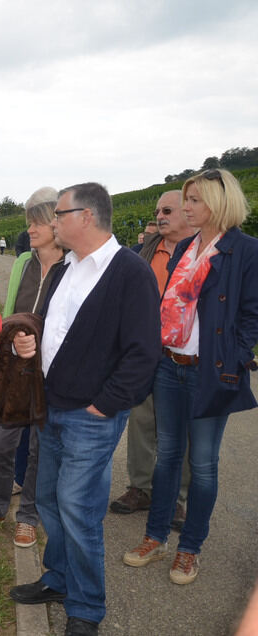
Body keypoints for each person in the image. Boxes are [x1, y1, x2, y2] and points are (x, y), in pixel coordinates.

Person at [8, 182, 161, 636]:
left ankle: (87, 608)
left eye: (59, 214)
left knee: (78, 508)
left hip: (90, 416)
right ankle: (58, 579)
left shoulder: (128, 272)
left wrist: (106, 405)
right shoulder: (66, 268)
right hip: (51, 406)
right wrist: (29, 339)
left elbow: (143, 352)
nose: (53, 222)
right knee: (53, 502)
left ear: (87, 216)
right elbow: (56, 327)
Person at [123, 169, 258, 585]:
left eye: (194, 200)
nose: (187, 208)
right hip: (169, 365)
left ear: (219, 202)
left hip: (209, 372)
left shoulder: (246, 251)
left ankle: (189, 548)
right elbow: (171, 304)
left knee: (202, 465)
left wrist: (232, 360)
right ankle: (155, 536)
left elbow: (252, 316)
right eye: (187, 200)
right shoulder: (185, 246)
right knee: (166, 457)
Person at [0, 186, 65, 549]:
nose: (29, 229)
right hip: (15, 369)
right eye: (28, 222)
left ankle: (28, 516)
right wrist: (7, 342)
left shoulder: (72, 267)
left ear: (56, 223)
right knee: (4, 443)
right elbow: (8, 314)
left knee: (40, 448)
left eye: (36, 222)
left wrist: (39, 344)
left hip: (49, 370)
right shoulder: (23, 261)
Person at [110, 191, 195, 528]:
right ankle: (140, 488)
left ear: (188, 214)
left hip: (183, 355)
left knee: (178, 430)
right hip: (145, 350)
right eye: (158, 210)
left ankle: (176, 498)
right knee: (141, 422)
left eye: (168, 210)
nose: (160, 216)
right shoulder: (144, 251)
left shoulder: (201, 253)